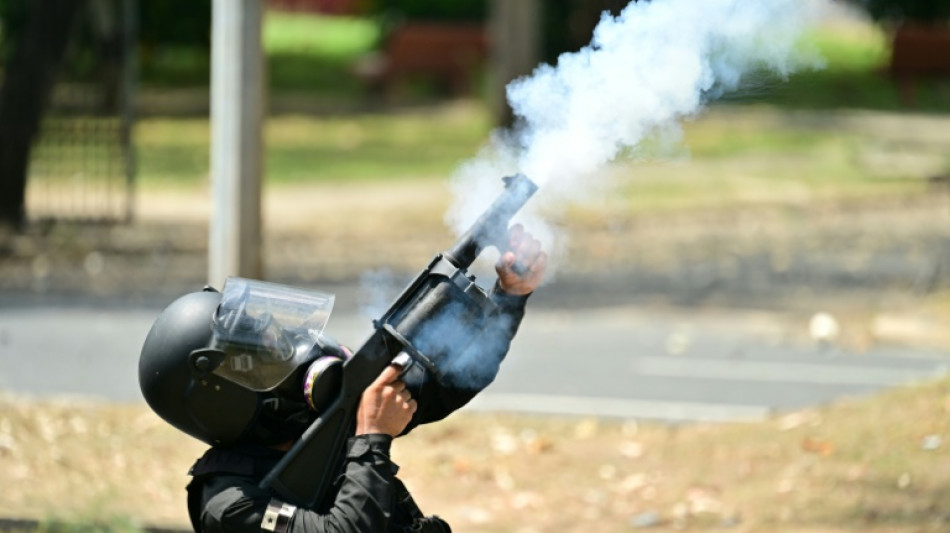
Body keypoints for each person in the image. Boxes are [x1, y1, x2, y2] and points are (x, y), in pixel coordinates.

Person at [138, 224, 547, 533]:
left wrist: (509, 297)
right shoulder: (229, 505)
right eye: (263, 356)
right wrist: (370, 439)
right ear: (222, 397)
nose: (288, 350)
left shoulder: (313, 419)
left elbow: (448, 382)